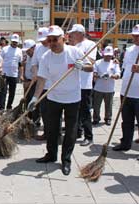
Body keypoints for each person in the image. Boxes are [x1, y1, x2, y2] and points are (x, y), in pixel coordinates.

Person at [27, 25, 92, 175]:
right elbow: (42, 79)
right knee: (51, 129)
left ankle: (66, 160)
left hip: (72, 98)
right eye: (49, 40)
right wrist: (35, 97)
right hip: (53, 97)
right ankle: (51, 155)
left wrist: (82, 66)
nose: (52, 43)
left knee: (70, 131)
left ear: (63, 38)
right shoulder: (46, 57)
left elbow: (91, 67)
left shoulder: (74, 52)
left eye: (55, 39)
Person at [68, 24, 97, 146]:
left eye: (73, 33)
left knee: (85, 111)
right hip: (74, 83)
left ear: (80, 33)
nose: (71, 35)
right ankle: (77, 132)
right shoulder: (74, 46)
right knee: (75, 110)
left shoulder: (90, 44)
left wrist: (82, 60)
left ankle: (88, 136)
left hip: (85, 84)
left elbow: (92, 62)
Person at [112, 24, 139, 152]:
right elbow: (126, 68)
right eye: (134, 35)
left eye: (138, 36)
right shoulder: (130, 49)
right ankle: (126, 143)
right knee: (126, 121)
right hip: (126, 91)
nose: (135, 38)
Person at [92, 46, 121, 126]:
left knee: (109, 105)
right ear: (103, 54)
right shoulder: (98, 62)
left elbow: (118, 75)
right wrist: (101, 75)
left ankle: (108, 118)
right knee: (96, 105)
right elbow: (94, 73)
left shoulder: (114, 63)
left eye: (109, 55)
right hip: (98, 88)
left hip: (109, 88)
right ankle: (96, 118)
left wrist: (111, 76)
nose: (108, 56)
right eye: (106, 55)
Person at [31, 27, 50, 140]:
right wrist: (35, 73)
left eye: (45, 39)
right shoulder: (38, 47)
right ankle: (47, 133)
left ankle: (54, 134)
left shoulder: (54, 47)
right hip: (41, 85)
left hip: (54, 85)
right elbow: (34, 63)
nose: (43, 42)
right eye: (41, 40)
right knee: (44, 110)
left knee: (52, 112)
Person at [0, 33, 23, 110]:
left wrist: (21, 75)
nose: (14, 43)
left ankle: (9, 106)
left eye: (16, 42)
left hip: (14, 74)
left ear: (18, 42)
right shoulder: (5, 49)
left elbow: (20, 64)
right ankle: (2, 108)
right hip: (4, 74)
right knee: (3, 91)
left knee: (12, 92)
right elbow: (0, 59)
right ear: (11, 41)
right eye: (13, 41)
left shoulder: (19, 51)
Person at [21, 39, 39, 125]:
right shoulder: (27, 57)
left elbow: (39, 74)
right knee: (27, 103)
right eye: (26, 50)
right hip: (27, 82)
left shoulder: (38, 57)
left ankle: (36, 122)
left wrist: (30, 83)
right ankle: (28, 120)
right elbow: (25, 67)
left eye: (28, 50)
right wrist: (24, 78)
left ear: (33, 48)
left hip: (35, 83)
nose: (27, 52)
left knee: (34, 104)